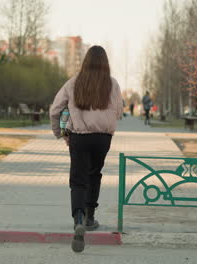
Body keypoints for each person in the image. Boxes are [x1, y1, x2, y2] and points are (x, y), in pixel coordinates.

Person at [50, 46, 123, 253]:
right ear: (105, 62)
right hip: (103, 138)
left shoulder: (74, 82)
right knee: (94, 174)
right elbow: (119, 111)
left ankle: (79, 218)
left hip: (79, 138)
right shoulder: (113, 84)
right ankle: (90, 217)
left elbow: (55, 109)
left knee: (78, 179)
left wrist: (60, 133)